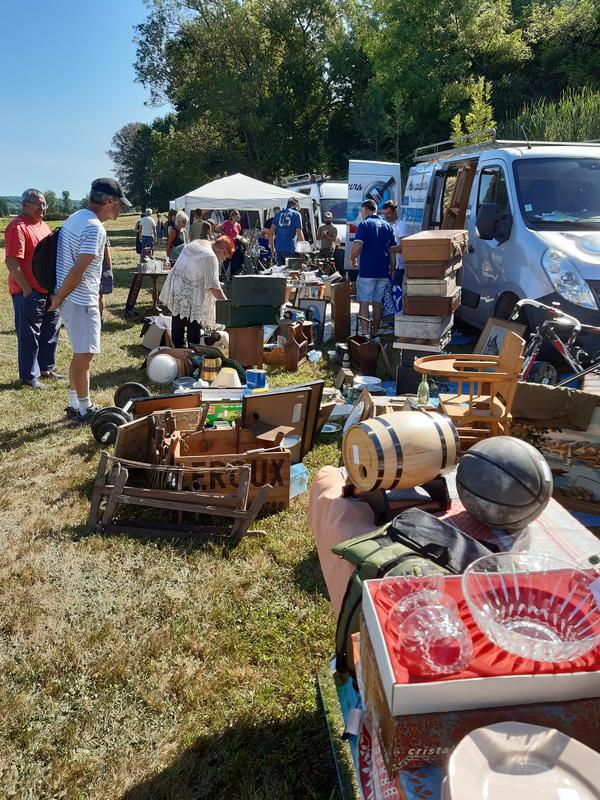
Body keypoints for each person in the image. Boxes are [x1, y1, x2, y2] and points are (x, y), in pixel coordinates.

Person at [49, 178, 131, 422]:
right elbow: (78, 271)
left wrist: (60, 296)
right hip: (81, 298)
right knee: (85, 357)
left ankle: (75, 402)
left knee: (80, 355)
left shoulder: (76, 217)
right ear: (108, 201)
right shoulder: (95, 227)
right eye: (120, 204)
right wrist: (58, 298)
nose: (121, 209)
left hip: (73, 298)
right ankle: (85, 408)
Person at [4, 188, 62, 389]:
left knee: (50, 331)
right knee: (29, 336)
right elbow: (12, 262)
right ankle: (29, 376)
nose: (44, 208)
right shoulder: (17, 227)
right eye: (40, 204)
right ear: (25, 205)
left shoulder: (43, 226)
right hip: (28, 292)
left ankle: (46, 369)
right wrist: (27, 289)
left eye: (45, 204)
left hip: (48, 290)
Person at [159, 236, 231, 347]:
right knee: (194, 324)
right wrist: (227, 304)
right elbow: (213, 287)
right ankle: (191, 352)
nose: (223, 260)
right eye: (225, 257)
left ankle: (178, 350)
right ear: (222, 251)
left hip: (177, 285)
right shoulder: (210, 256)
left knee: (178, 320)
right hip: (191, 291)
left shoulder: (198, 242)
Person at [351, 199, 395, 341]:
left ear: (366, 210)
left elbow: (358, 245)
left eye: (361, 211)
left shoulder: (364, 224)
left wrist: (353, 258)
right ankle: (375, 334)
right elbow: (392, 251)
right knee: (377, 303)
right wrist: (392, 269)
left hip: (367, 272)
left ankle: (365, 335)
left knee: (364, 302)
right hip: (383, 272)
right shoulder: (387, 226)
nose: (361, 213)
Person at [269, 198, 305, 266]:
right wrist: (302, 251)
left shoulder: (277, 215)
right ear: (296, 205)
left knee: (280, 271)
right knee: (292, 271)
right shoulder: (296, 214)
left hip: (279, 249)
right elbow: (299, 234)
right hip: (290, 248)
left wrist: (272, 250)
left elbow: (271, 234)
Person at [99, 237, 113, 326]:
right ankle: (100, 317)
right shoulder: (103, 237)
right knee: (100, 295)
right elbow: (107, 256)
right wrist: (110, 269)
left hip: (88, 267)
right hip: (101, 268)